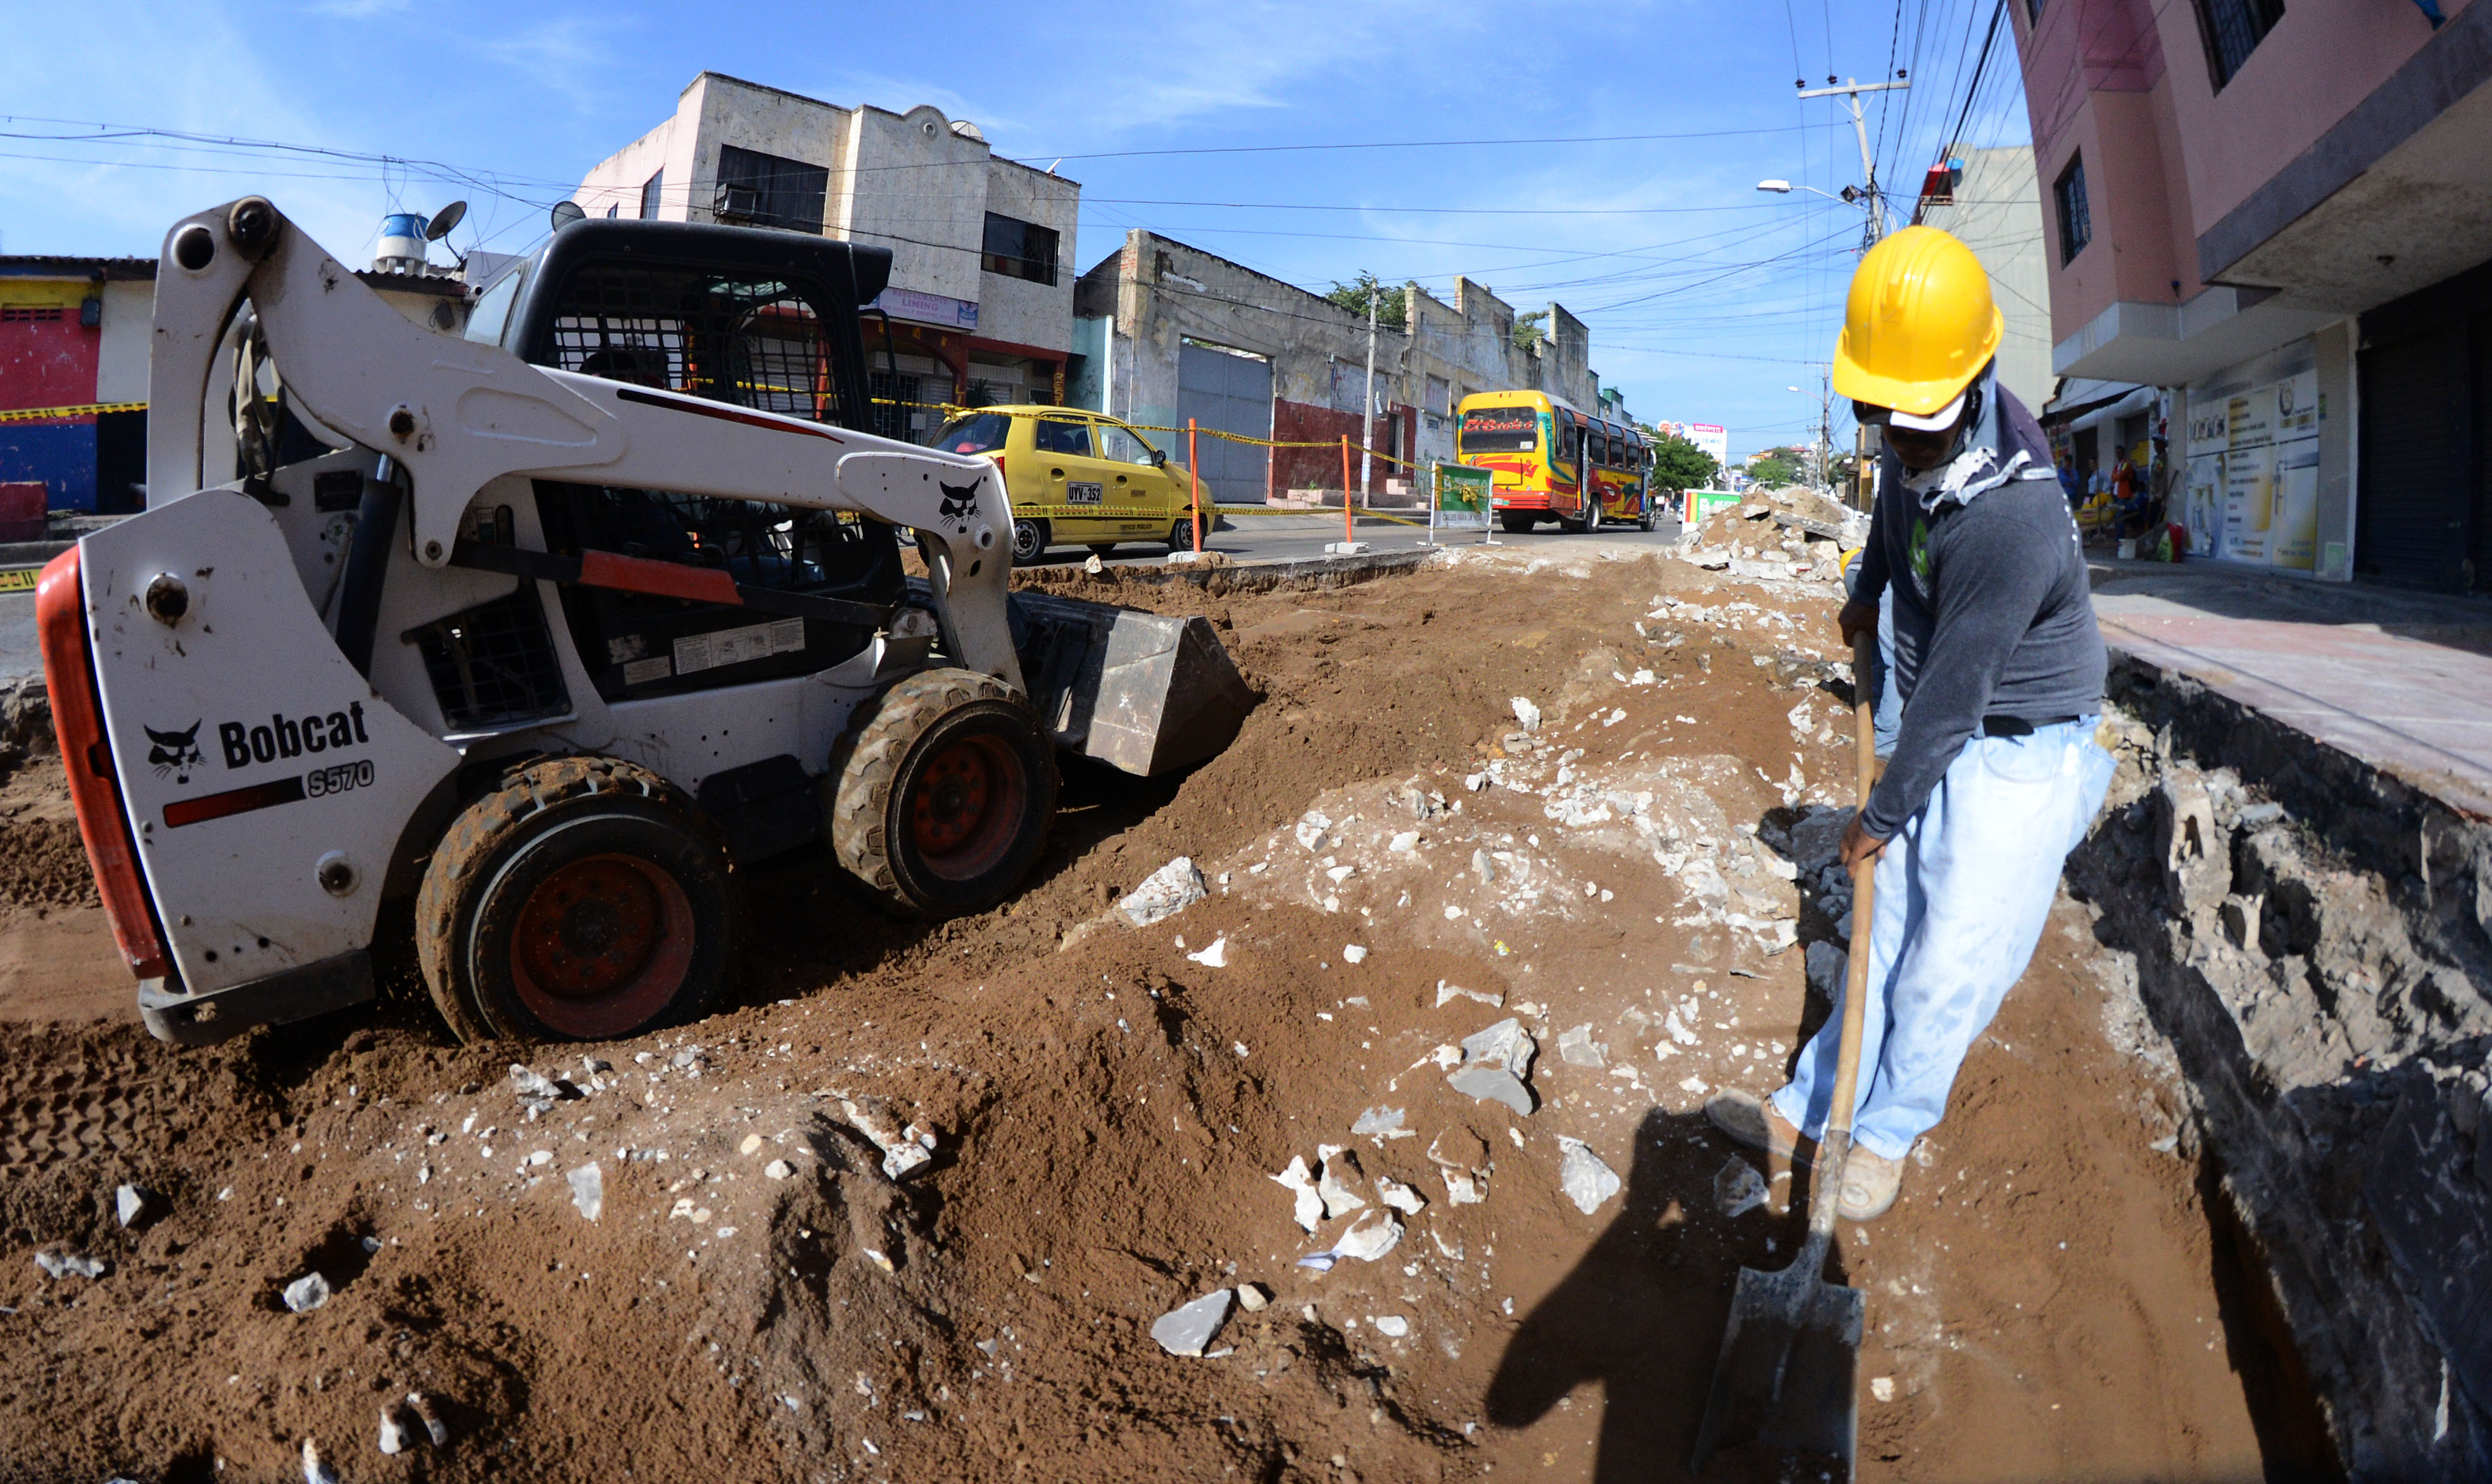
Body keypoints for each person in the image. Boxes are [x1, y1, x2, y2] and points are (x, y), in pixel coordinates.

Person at [1706, 225, 2115, 1222]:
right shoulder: (1914, 435)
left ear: (1970, 381)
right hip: (1957, 730)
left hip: (2023, 747)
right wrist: (1863, 591)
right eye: (1882, 418)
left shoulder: (2010, 518)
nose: (1900, 437)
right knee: (1882, 937)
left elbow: (1953, 699)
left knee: (1947, 960)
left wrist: (1879, 815)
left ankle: (1885, 1134)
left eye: (1917, 423)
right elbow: (1895, 522)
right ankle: (1815, 1105)